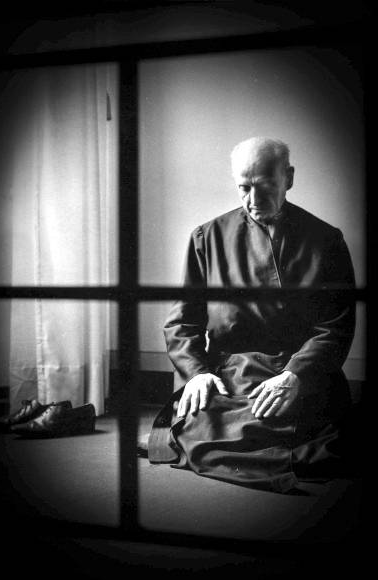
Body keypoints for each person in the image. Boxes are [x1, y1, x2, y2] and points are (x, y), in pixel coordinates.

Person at [142, 137, 356, 494]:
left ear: (288, 177)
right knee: (206, 412)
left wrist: (295, 376)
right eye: (244, 188)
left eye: (266, 186)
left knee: (322, 438)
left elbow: (335, 326)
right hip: (230, 373)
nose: (254, 201)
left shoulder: (326, 240)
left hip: (297, 371)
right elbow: (182, 321)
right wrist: (197, 375)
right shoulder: (206, 237)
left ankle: (206, 442)